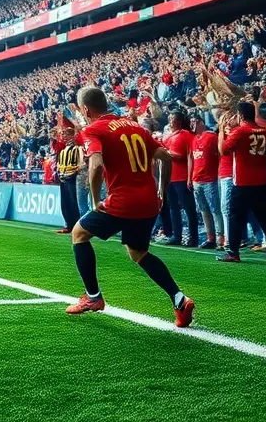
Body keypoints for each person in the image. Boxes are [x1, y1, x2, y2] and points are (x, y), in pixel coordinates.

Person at [66, 86, 194, 328]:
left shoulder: (93, 130)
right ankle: (179, 299)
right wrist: (162, 189)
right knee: (138, 253)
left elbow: (95, 165)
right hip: (148, 202)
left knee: (79, 234)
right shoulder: (134, 126)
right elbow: (165, 157)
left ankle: (93, 298)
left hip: (122, 202)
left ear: (85, 110)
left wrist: (95, 201)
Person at [220, 101, 266, 265]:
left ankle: (233, 252)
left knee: (235, 216)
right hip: (262, 180)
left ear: (241, 115)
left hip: (243, 182)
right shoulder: (264, 132)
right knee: (264, 217)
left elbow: (223, 150)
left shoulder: (240, 132)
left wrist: (222, 131)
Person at [160, 111, 199, 246]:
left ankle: (193, 237)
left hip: (181, 176)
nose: (170, 121)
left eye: (173, 119)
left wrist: (189, 176)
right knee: (173, 207)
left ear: (179, 121)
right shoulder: (168, 136)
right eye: (169, 118)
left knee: (188, 207)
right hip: (170, 176)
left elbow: (188, 156)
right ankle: (176, 235)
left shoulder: (186, 135)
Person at [189, 113, 221, 250]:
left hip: (210, 179)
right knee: (203, 210)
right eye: (190, 122)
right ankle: (210, 237)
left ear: (201, 122)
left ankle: (220, 238)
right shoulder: (194, 139)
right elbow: (192, 158)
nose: (192, 125)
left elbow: (219, 155)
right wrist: (190, 177)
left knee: (215, 209)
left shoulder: (211, 137)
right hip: (197, 179)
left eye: (194, 121)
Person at [55, 115, 83, 233]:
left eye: (66, 134)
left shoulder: (77, 149)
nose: (64, 137)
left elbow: (80, 164)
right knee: (65, 203)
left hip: (72, 178)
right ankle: (69, 224)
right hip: (63, 178)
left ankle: (77, 226)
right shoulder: (63, 150)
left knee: (73, 203)